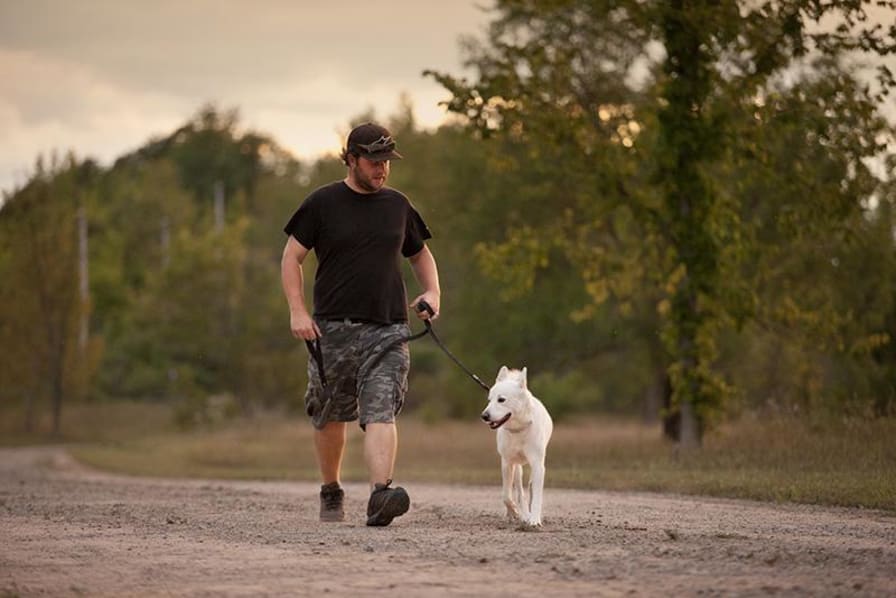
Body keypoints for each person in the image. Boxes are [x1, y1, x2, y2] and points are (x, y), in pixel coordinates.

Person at [280, 122, 441, 526]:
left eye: (386, 162)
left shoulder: (398, 206)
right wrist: (298, 311)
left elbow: (420, 255)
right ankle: (331, 490)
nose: (381, 169)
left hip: (388, 328)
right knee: (330, 412)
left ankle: (380, 495)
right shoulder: (322, 203)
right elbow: (291, 258)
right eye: (373, 161)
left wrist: (432, 293)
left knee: (381, 409)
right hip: (331, 328)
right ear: (351, 159)